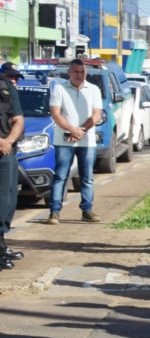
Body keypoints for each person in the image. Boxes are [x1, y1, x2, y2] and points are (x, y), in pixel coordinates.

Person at [47, 59, 103, 225]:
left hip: (86, 141)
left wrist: (81, 131)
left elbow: (96, 115)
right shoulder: (59, 89)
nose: (79, 75)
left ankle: (87, 209)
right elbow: (56, 114)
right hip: (64, 140)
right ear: (69, 73)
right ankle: (54, 211)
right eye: (76, 72)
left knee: (87, 177)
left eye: (82, 72)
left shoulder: (93, 90)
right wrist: (72, 130)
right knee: (60, 176)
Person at [0, 62, 26, 269]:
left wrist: (8, 141)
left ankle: (1, 245)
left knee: (7, 200)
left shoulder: (7, 87)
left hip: (6, 151)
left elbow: (18, 119)